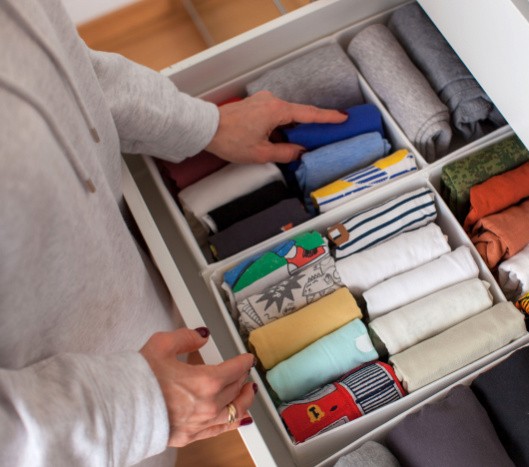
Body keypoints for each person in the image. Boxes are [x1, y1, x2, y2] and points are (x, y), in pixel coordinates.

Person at [0, 0, 347, 465]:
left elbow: (62, 63)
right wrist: (132, 408)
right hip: (73, 428)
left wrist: (204, 124)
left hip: (131, 337)